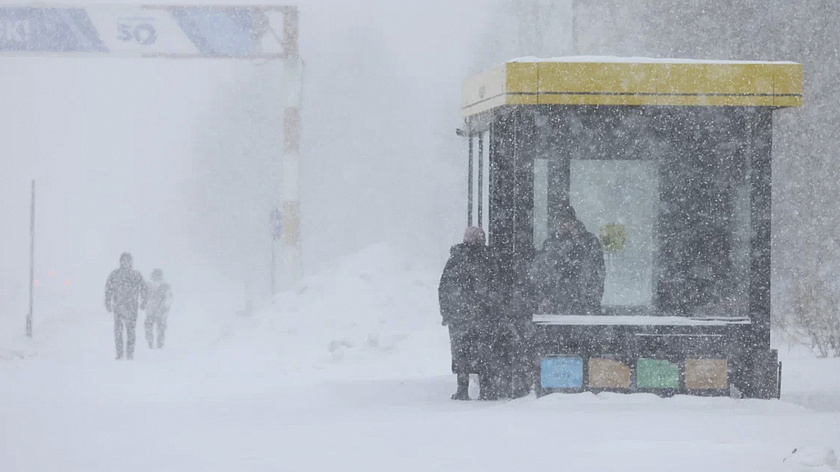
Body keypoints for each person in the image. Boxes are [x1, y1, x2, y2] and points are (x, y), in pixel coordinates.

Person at [438, 226, 498, 400]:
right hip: (472, 315)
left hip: (468, 314)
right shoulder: (483, 258)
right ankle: (477, 389)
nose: (473, 239)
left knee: (466, 352)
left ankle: (468, 389)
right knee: (472, 352)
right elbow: (445, 287)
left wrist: (448, 311)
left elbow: (444, 287)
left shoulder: (459, 259)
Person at [105, 253, 147, 360]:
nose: (125, 263)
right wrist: (108, 301)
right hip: (118, 307)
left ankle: (130, 354)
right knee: (118, 331)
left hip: (131, 307)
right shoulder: (115, 274)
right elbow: (108, 289)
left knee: (131, 331)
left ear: (131, 262)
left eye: (128, 260)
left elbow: (144, 289)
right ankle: (119, 353)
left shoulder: (136, 275)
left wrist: (143, 302)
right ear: (120, 262)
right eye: (123, 260)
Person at [573, 219, 606, 316]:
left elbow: (598, 271)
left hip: (587, 300)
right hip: (562, 307)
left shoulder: (589, 241)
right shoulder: (554, 243)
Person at [144, 269, 173, 349]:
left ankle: (157, 345)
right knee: (152, 328)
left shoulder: (165, 286)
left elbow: (169, 299)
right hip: (154, 311)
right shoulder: (148, 285)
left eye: (157, 275)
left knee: (159, 329)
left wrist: (165, 308)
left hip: (159, 312)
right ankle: (151, 344)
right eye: (155, 275)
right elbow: (144, 298)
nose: (156, 277)